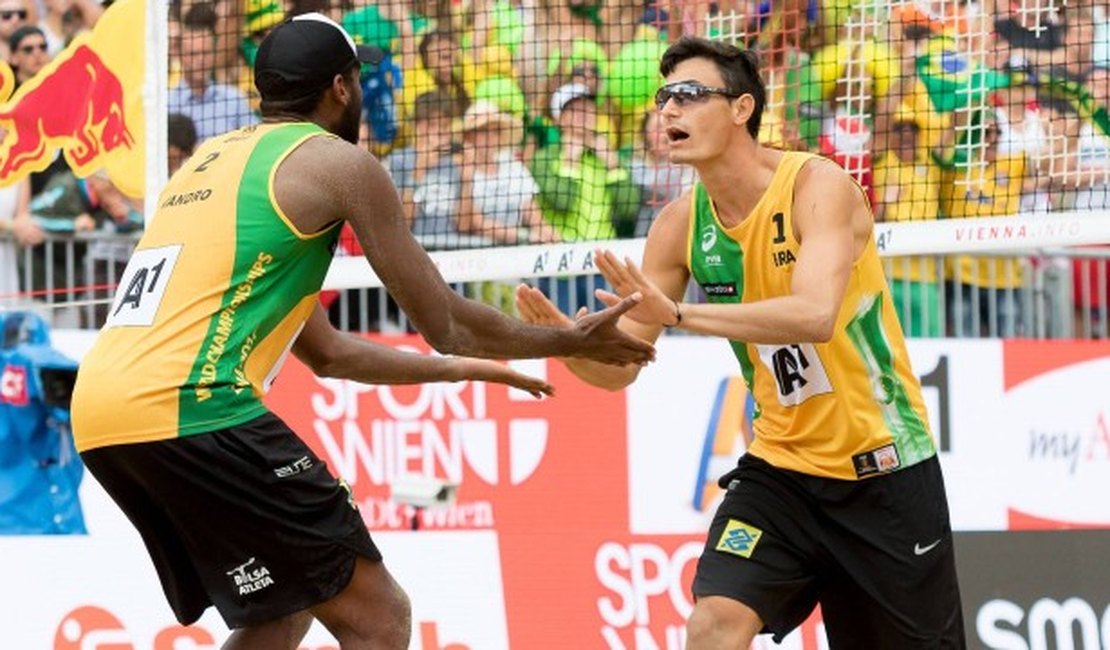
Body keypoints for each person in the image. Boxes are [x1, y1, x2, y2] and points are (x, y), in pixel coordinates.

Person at [70, 13, 652, 650]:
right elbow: (449, 322)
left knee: (285, 607)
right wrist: (568, 339)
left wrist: (460, 370)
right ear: (341, 88)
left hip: (104, 414)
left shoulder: (209, 163)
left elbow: (327, 351)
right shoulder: (338, 163)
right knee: (378, 616)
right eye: (358, 77)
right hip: (192, 404)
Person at [516, 37, 964, 648]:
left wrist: (679, 315)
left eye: (691, 94)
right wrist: (569, 346)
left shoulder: (817, 184)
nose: (669, 109)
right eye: (664, 97)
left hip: (883, 472)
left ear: (741, 108)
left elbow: (814, 316)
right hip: (780, 471)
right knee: (714, 622)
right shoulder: (678, 226)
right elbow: (623, 368)